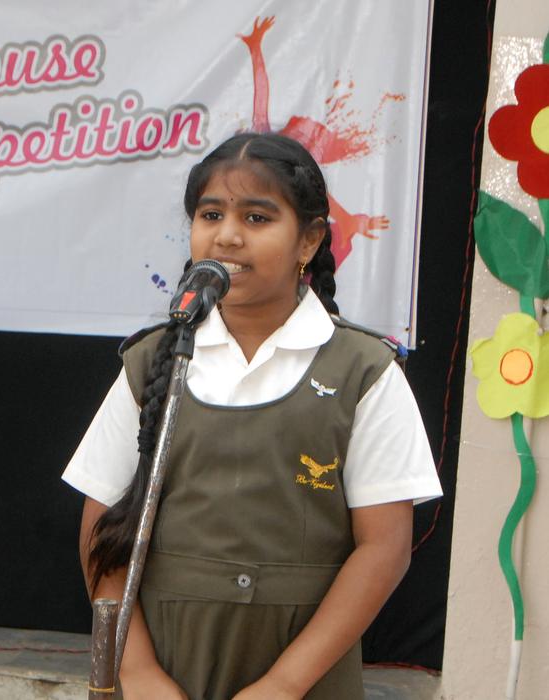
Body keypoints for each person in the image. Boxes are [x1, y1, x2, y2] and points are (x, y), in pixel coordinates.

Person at [63, 132, 441, 699]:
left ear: (309, 239)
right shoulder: (154, 361)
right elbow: (101, 528)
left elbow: (384, 549)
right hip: (163, 666)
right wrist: (136, 670)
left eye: (258, 217)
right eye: (210, 214)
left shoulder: (362, 369)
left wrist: (285, 684)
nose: (228, 235)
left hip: (302, 674)